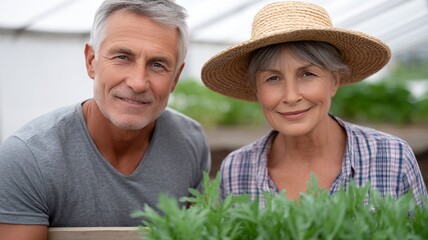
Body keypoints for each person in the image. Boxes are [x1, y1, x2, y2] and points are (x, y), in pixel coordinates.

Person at [0, 0, 211, 239]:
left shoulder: (190, 142)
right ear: (91, 61)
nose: (138, 82)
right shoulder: (28, 158)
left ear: (175, 78)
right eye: (123, 57)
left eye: (157, 64)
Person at [201, 1, 427, 206]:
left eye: (307, 74)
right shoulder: (237, 169)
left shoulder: (391, 157)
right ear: (257, 90)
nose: (291, 96)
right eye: (273, 78)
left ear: (334, 81)